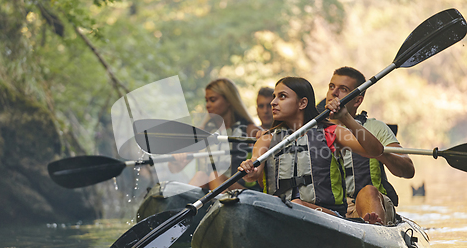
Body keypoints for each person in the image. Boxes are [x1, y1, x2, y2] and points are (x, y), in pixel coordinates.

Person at [239, 77, 384, 218]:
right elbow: (253, 173)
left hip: (329, 216)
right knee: (292, 205)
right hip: (278, 215)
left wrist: (346, 117)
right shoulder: (266, 139)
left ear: (302, 103)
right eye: (274, 96)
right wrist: (249, 169)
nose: (273, 102)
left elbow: (376, 151)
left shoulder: (330, 132)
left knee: (296, 204)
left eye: (282, 97)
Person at [325, 66, 415, 225]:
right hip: (330, 209)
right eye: (331, 87)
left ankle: (375, 231)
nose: (334, 93)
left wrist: (375, 150)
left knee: (367, 192)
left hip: (370, 203)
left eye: (343, 89)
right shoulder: (311, 129)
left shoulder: (375, 128)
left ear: (358, 100)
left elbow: (407, 170)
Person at [169, 78, 261, 191]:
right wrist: (176, 160)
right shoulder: (203, 133)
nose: (207, 105)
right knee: (201, 175)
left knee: (213, 175)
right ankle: (183, 204)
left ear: (229, 101)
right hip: (210, 191)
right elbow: (174, 168)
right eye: (206, 100)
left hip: (241, 193)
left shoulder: (250, 130)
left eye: (212, 100)